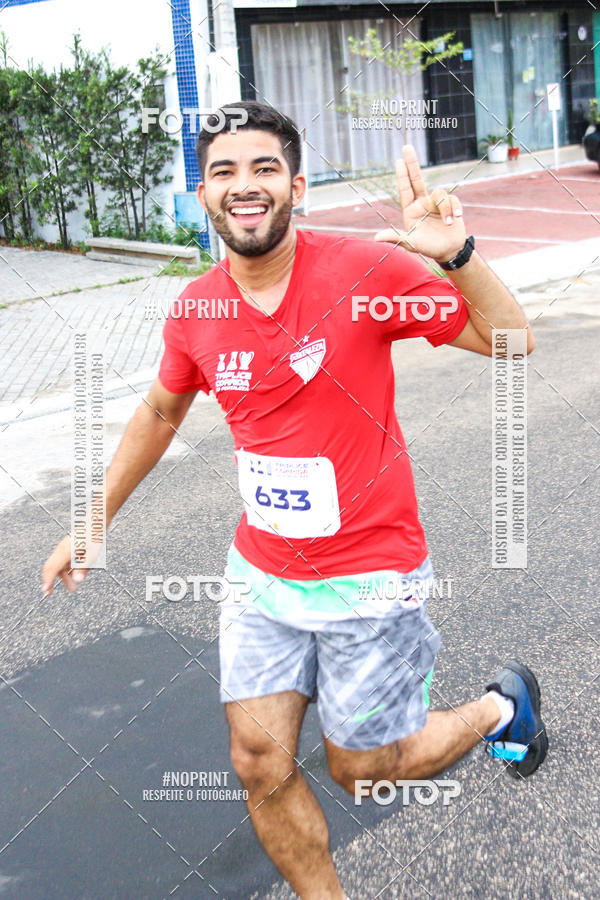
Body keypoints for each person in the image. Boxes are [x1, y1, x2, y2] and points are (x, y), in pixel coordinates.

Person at [43, 101, 547, 899]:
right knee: (257, 761)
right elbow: (161, 410)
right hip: (262, 576)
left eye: (265, 168)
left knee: (364, 767)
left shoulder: (366, 273)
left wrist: (458, 255)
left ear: (297, 186)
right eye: (225, 171)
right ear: (203, 195)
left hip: (371, 571)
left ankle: (498, 707)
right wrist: (92, 517)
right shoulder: (197, 307)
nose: (244, 185)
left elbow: (511, 342)